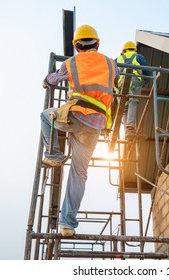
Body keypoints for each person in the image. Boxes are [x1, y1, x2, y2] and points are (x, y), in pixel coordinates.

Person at [40, 24, 118, 237]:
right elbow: (116, 79)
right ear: (97, 44)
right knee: (79, 173)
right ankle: (67, 224)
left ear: (76, 46)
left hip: (75, 114)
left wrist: (47, 80)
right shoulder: (111, 64)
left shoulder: (70, 63)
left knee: (46, 116)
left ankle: (54, 154)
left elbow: (51, 81)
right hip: (96, 123)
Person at [116, 41, 149, 140]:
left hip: (121, 84)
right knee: (133, 102)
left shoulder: (118, 59)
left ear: (124, 50)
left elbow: (113, 73)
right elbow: (146, 71)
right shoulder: (138, 56)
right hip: (134, 80)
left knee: (125, 107)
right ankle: (130, 128)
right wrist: (145, 82)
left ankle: (128, 131)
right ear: (134, 49)